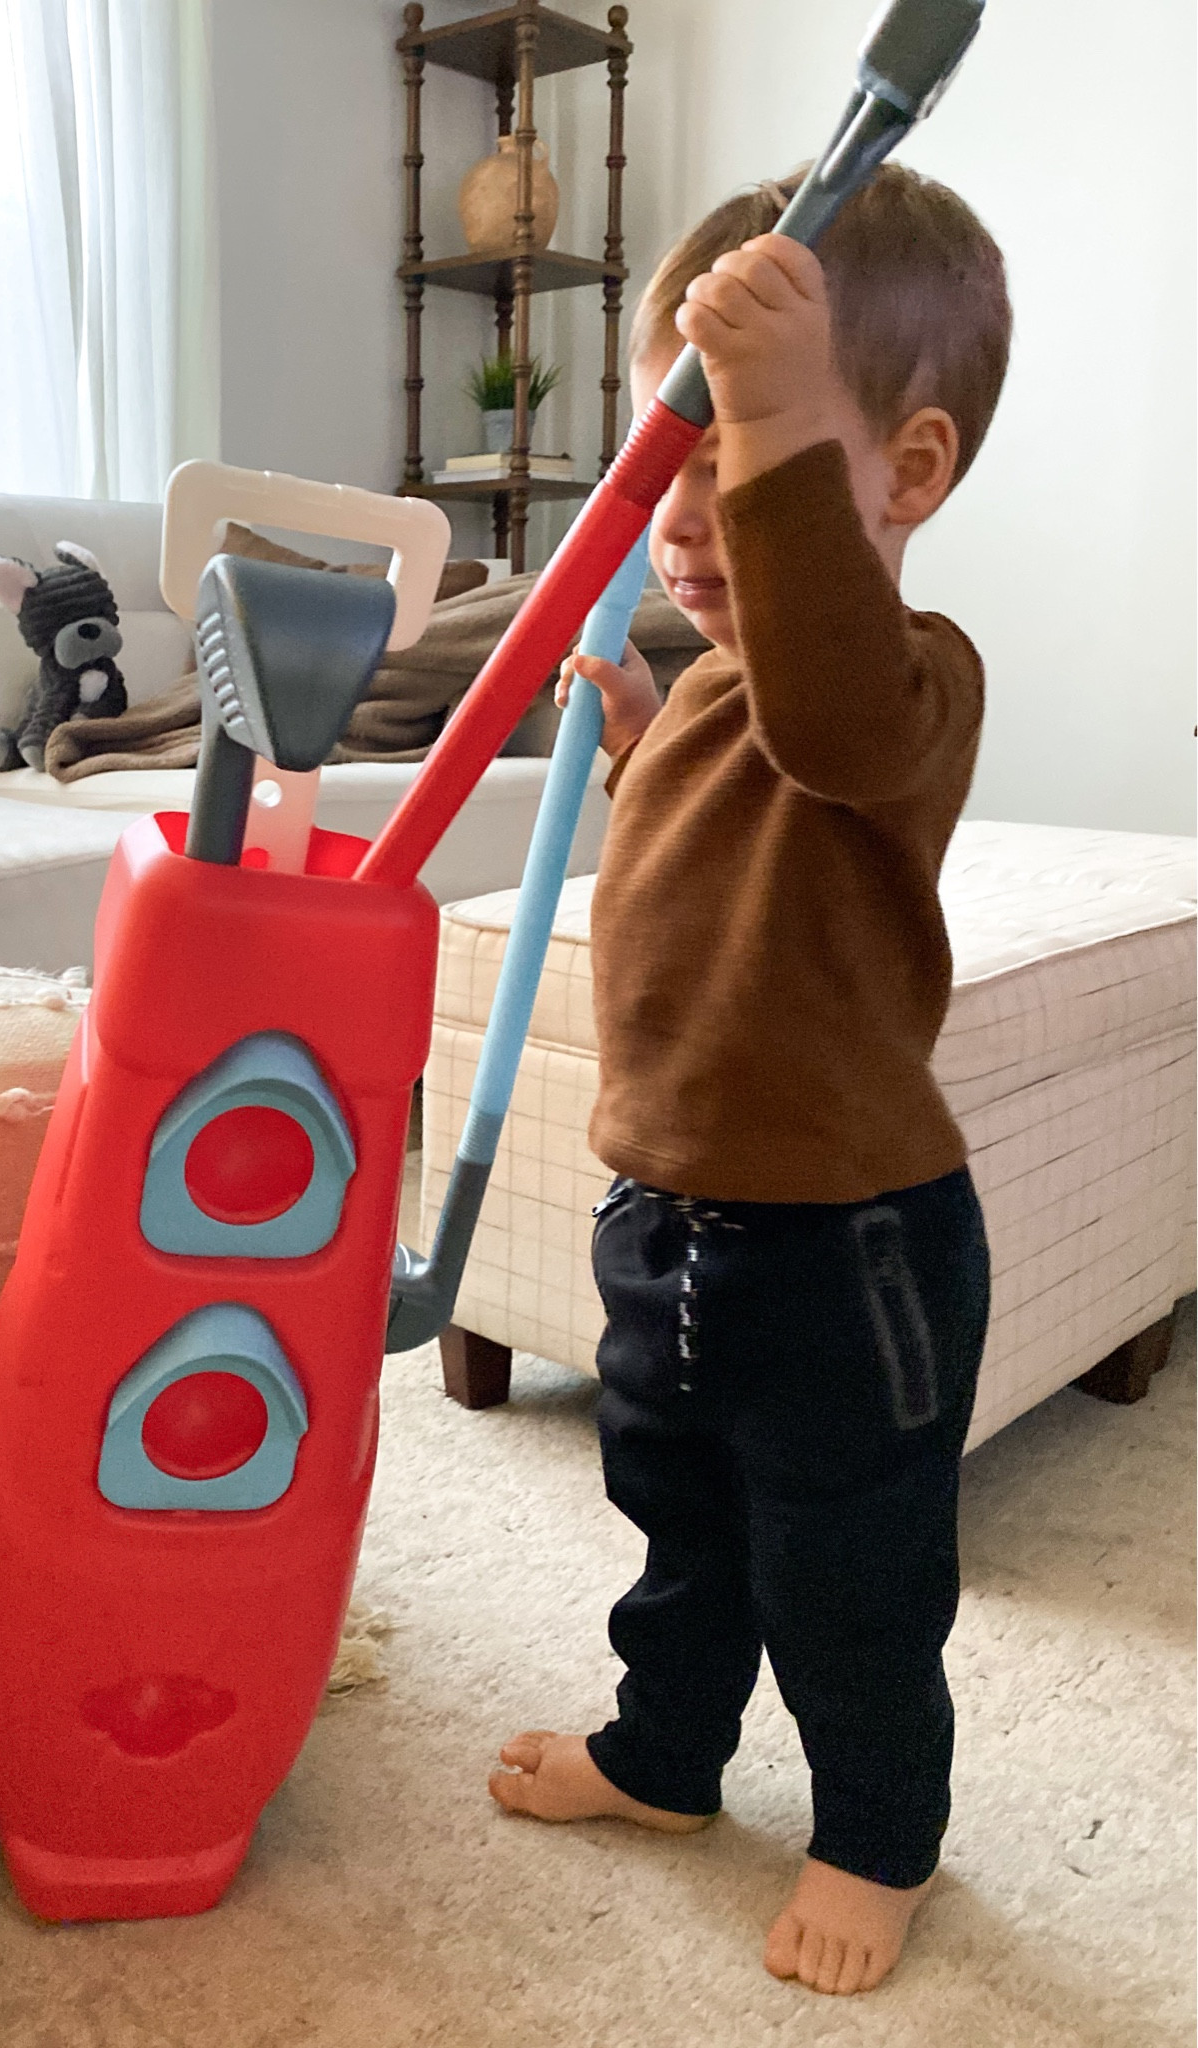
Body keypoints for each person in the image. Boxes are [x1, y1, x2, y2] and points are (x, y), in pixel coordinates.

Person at [487, 164, 1012, 1997]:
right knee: (680, 1529)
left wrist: (777, 415)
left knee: (849, 1577)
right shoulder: (714, 690)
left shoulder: (910, 683)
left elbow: (831, 722)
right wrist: (637, 741)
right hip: (670, 1220)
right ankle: (668, 1757)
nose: (686, 518)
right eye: (671, 462)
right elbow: (724, 860)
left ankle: (879, 1832)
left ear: (911, 473)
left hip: (847, 1254)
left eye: (745, 460)